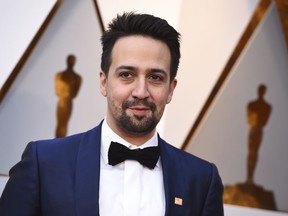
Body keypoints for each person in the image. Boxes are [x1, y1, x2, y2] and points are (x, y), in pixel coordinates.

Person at [0, 12, 224, 215]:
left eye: (155, 77)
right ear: (104, 82)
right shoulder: (44, 163)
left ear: (171, 89)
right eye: (127, 75)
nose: (141, 92)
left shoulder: (202, 180)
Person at [246, 84, 272, 185]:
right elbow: (249, 119)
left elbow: (265, 122)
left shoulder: (267, 107)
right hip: (254, 129)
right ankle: (249, 177)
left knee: (254, 152)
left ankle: (250, 178)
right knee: (251, 152)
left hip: (258, 129)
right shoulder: (251, 104)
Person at [55, 54, 82, 138]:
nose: (71, 62)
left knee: (64, 123)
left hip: (68, 102)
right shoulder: (59, 75)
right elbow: (58, 91)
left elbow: (75, 94)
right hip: (62, 101)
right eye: (70, 60)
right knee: (60, 122)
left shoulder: (77, 78)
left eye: (72, 60)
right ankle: (57, 141)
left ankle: (60, 142)